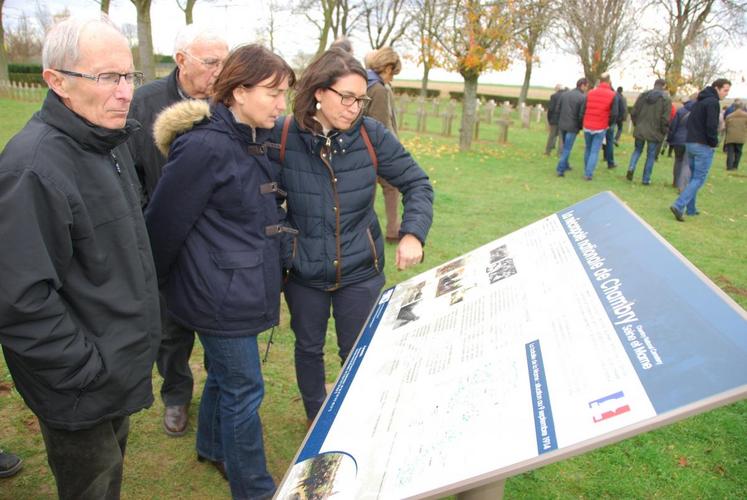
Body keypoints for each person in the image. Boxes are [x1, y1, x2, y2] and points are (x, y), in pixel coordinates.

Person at [0, 16, 161, 499]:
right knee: (90, 486)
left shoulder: (105, 144)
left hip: (114, 365)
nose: (125, 92)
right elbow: (19, 300)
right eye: (107, 77)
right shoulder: (34, 168)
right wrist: (84, 371)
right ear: (56, 81)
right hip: (80, 381)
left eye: (129, 76)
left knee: (109, 475)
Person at [145, 44, 294, 499]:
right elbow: (163, 225)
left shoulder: (249, 136)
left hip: (240, 288)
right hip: (218, 295)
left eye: (285, 93)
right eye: (273, 92)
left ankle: (211, 445)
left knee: (228, 379)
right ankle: (254, 489)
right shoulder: (205, 145)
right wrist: (173, 286)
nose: (281, 104)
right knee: (244, 389)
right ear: (239, 90)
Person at [269, 48, 434, 424]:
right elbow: (258, 198)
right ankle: (316, 419)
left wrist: (413, 234)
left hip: (361, 269)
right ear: (318, 93)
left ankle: (355, 420)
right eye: (347, 98)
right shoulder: (281, 135)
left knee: (358, 351)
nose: (354, 108)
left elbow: (417, 183)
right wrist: (282, 247)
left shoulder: (372, 135)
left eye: (360, 99)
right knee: (308, 348)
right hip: (304, 272)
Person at [127, 24, 229, 438]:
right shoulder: (145, 102)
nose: (220, 72)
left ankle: (219, 396)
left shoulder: (227, 103)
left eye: (226, 61)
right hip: (164, 234)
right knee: (170, 327)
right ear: (181, 59)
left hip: (214, 238)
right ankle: (175, 395)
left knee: (219, 322)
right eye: (211, 62)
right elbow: (130, 169)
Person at [671, 78, 731, 221]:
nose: (726, 94)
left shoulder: (699, 101)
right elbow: (711, 125)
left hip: (691, 142)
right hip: (702, 145)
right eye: (725, 90)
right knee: (699, 178)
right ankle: (679, 205)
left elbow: (691, 121)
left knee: (693, 177)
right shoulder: (712, 103)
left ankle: (691, 208)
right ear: (717, 88)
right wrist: (713, 142)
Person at [365, 47, 403, 243]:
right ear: (387, 67)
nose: (393, 78)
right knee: (390, 186)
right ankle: (391, 231)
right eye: (393, 73)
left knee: (367, 192)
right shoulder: (378, 89)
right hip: (372, 152)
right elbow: (379, 128)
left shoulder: (364, 81)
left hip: (360, 150)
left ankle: (378, 231)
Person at [626, 79, 672, 185]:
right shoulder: (666, 99)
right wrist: (663, 131)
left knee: (637, 150)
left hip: (641, 128)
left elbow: (634, 112)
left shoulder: (643, 95)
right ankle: (646, 179)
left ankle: (631, 167)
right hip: (655, 131)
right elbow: (665, 118)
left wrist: (636, 124)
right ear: (664, 86)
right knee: (651, 155)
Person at [580, 73, 618, 180]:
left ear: (599, 81)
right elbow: (615, 113)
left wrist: (583, 121)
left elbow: (583, 109)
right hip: (601, 126)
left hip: (588, 124)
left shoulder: (590, 93)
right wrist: (608, 124)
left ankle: (586, 169)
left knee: (588, 148)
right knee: (594, 150)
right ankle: (588, 173)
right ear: (609, 81)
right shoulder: (612, 95)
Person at [555, 78, 588, 177]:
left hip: (562, 124)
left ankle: (566, 164)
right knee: (567, 148)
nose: (586, 88)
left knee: (565, 146)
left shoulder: (565, 94)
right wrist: (580, 126)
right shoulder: (583, 97)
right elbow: (581, 114)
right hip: (573, 126)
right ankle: (560, 169)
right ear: (582, 85)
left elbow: (558, 109)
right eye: (586, 86)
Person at [667, 94, 697, 191]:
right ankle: (682, 185)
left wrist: (670, 139)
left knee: (678, 161)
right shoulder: (699, 112)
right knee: (686, 163)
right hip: (691, 140)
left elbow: (673, 126)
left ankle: (675, 182)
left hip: (678, 140)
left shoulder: (681, 110)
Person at [724, 100, 747, 170]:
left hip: (730, 136)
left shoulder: (729, 116)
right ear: (742, 107)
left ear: (734, 107)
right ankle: (735, 166)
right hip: (741, 136)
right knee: (738, 151)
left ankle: (729, 166)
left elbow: (726, 125)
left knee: (730, 152)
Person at [544, 84, 565, 156]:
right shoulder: (566, 96)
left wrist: (549, 119)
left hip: (554, 119)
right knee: (561, 138)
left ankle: (547, 151)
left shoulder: (554, 96)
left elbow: (551, 109)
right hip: (563, 120)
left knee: (551, 136)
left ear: (557, 89)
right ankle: (560, 153)